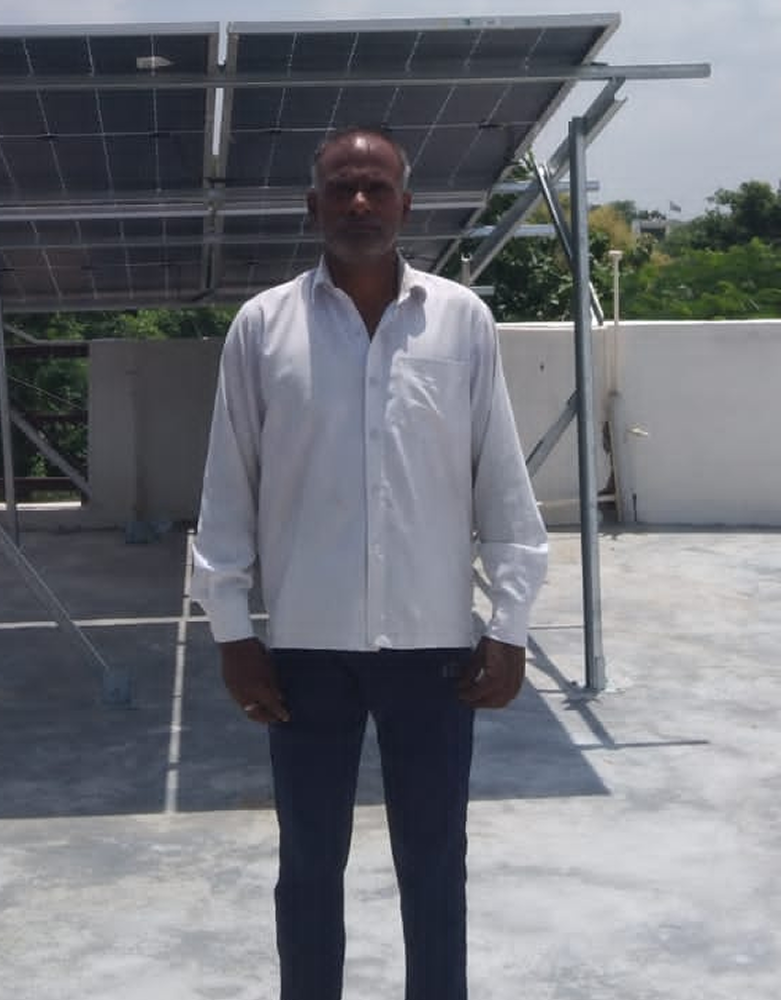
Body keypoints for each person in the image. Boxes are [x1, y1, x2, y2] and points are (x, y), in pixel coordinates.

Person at [191, 126, 548, 1000]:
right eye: (342, 188)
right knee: (309, 863)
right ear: (312, 206)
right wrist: (233, 633)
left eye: (376, 188)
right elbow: (229, 488)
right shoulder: (263, 328)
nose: (359, 203)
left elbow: (500, 480)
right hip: (304, 651)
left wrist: (508, 624)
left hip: (434, 648)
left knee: (435, 861)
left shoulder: (460, 321)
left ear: (406, 205)